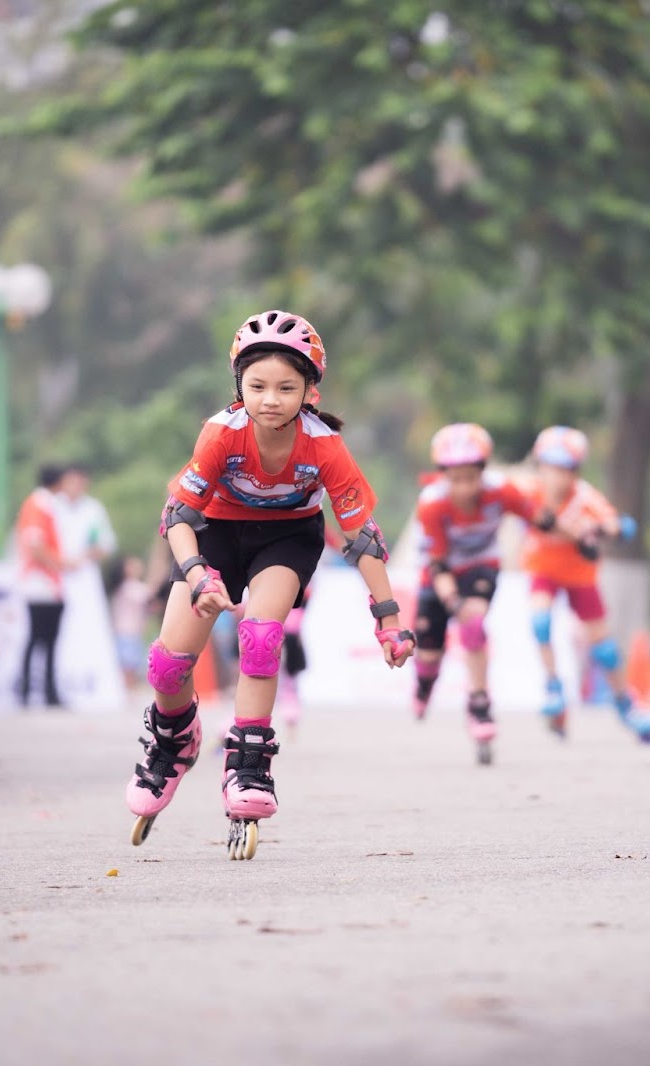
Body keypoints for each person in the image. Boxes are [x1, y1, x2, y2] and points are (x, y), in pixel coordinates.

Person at [125, 309, 414, 860]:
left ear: (310, 390)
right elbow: (177, 518)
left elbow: (363, 538)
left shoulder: (324, 445)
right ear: (240, 386)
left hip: (287, 539)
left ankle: (250, 766)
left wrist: (390, 621)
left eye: (287, 387)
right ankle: (174, 739)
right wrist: (197, 573)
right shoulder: (221, 432)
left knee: (261, 636)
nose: (271, 399)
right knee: (166, 665)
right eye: (257, 386)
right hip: (212, 537)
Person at [412, 422, 546, 764]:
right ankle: (425, 686)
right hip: (439, 575)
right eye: (455, 479)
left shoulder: (502, 491)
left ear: (483, 473)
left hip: (480, 566)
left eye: (470, 478)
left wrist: (582, 534)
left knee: (473, 624)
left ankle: (480, 706)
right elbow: (438, 565)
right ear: (443, 476)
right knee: (429, 655)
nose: (463, 488)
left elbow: (540, 517)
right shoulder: (432, 504)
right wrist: (451, 601)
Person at [522, 426, 650, 744]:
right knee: (540, 621)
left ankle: (626, 704)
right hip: (543, 570)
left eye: (565, 470)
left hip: (580, 576)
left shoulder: (584, 498)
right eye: (550, 468)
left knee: (605, 649)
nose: (557, 477)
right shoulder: (531, 493)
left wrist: (608, 529)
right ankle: (554, 687)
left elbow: (611, 521)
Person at [15, 465, 73, 709]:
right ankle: (31, 689)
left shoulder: (45, 504)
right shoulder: (38, 504)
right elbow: (35, 544)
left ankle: (44, 691)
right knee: (40, 638)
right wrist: (58, 563)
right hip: (41, 582)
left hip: (49, 582)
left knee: (46, 639)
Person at [111, 554, 152, 692]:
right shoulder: (130, 587)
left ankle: (128, 690)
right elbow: (148, 596)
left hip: (130, 631)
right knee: (128, 664)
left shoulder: (124, 587)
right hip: (128, 631)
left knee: (130, 664)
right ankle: (127, 690)